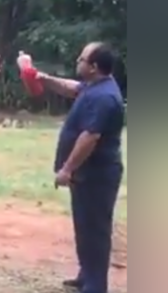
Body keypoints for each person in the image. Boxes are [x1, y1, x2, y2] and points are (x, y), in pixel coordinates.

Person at [36, 42, 125, 293]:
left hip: (97, 175)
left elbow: (90, 137)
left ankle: (96, 286)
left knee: (95, 230)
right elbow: (72, 88)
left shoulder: (104, 98)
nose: (78, 61)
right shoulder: (96, 86)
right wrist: (44, 78)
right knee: (84, 227)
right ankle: (87, 275)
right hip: (87, 174)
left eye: (82, 59)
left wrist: (66, 169)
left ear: (94, 67)